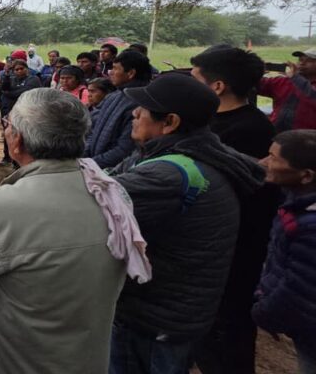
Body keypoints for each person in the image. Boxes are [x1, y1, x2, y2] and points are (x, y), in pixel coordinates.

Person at [0, 88, 136, 374]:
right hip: (88, 357)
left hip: (13, 362)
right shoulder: (113, 195)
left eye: (7, 124)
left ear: (17, 141)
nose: (6, 129)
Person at [107, 73, 264, 373]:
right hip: (180, 309)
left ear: (170, 123)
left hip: (154, 319)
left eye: (143, 109)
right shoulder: (192, 153)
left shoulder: (167, 174)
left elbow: (95, 204)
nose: (134, 113)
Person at [189, 46, 279, 374]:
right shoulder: (209, 122)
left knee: (229, 332)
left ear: (217, 86)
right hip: (210, 248)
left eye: (195, 77)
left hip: (236, 250)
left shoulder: (250, 130)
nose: (190, 83)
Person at [252, 130, 316, 374]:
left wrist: (264, 312)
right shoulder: (297, 205)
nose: (265, 162)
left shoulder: (309, 228)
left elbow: (299, 288)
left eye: (274, 158)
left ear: (306, 175)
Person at [84, 49, 152, 169]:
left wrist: (89, 165)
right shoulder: (113, 96)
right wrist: (84, 158)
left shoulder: (140, 103)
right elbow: (93, 132)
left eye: (115, 68)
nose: (111, 72)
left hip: (113, 172)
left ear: (131, 73)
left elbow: (125, 150)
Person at [258, 47, 316, 132]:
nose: (302, 63)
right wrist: (257, 71)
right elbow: (253, 86)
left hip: (308, 140)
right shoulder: (284, 81)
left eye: (309, 60)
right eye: (300, 60)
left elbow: (311, 95)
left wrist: (296, 78)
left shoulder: (294, 79)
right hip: (277, 137)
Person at [0, 58, 40, 167]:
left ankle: (24, 162)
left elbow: (23, 93)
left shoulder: (33, 79)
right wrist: (6, 74)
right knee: (9, 135)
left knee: (24, 137)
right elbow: (2, 88)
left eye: (21, 69)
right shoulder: (11, 78)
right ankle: (8, 157)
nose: (19, 71)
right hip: (10, 112)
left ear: (27, 69)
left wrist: (8, 93)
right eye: (16, 70)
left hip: (26, 113)